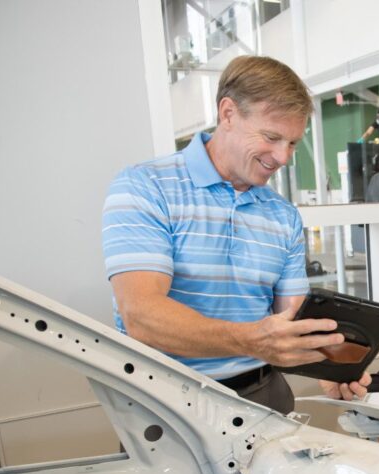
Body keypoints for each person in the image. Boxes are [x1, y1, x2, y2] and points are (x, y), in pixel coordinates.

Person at [102, 56, 353, 415]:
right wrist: (252, 341)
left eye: (293, 143)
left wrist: (327, 364)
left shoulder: (282, 214)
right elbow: (141, 316)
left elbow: (292, 318)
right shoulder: (145, 187)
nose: (283, 157)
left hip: (266, 395)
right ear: (228, 113)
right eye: (271, 137)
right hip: (166, 399)